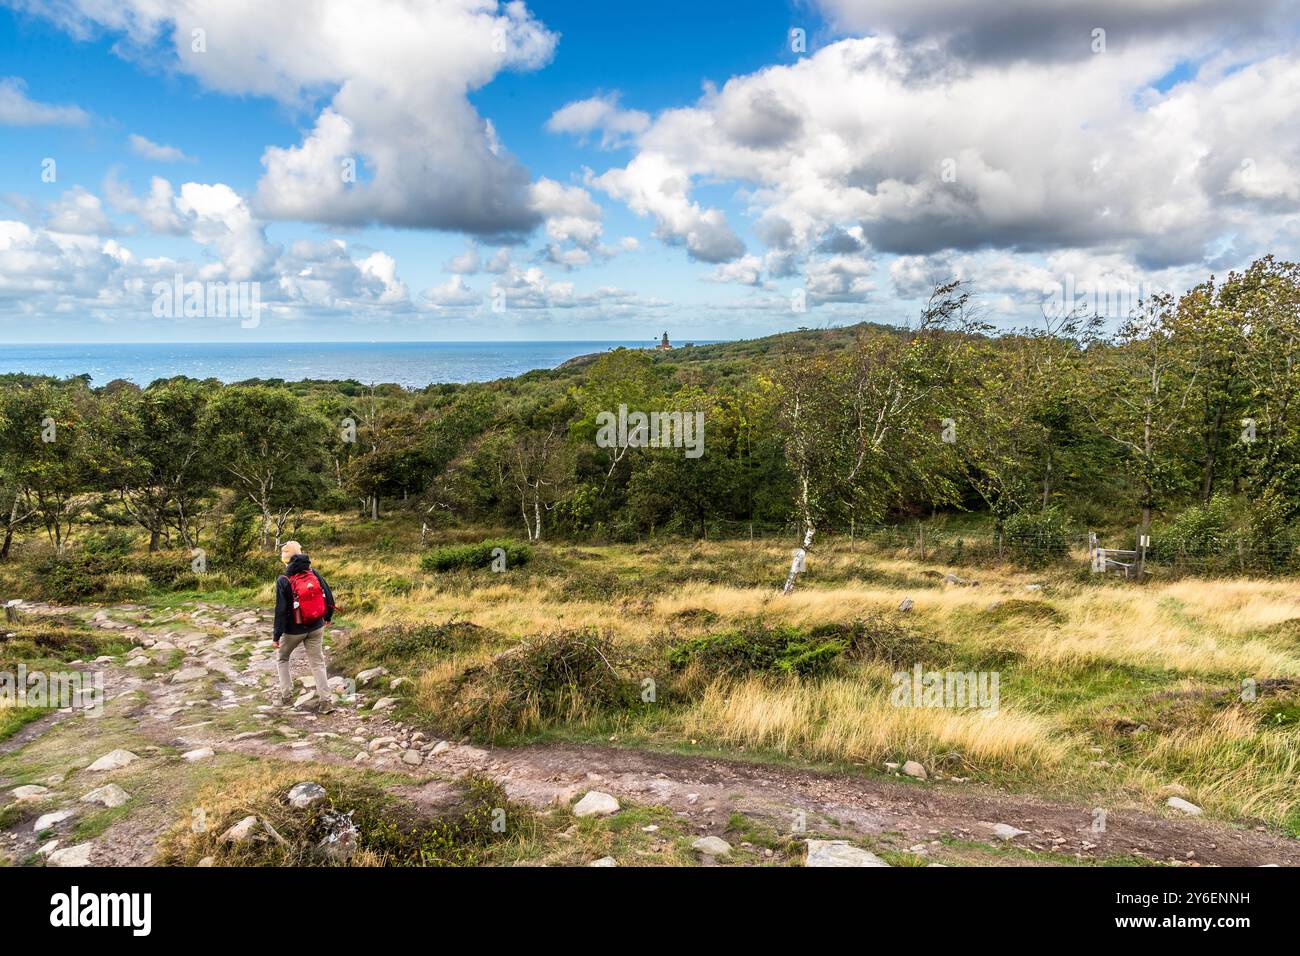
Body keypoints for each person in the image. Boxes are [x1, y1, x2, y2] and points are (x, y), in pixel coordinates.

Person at [272, 540, 337, 713]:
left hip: (293, 631)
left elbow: (280, 610)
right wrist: (328, 617)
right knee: (318, 663)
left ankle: (286, 697)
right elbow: (328, 596)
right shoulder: (312, 572)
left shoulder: (283, 579)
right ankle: (326, 702)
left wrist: (276, 636)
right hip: (316, 626)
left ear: (286, 559)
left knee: (283, 658)